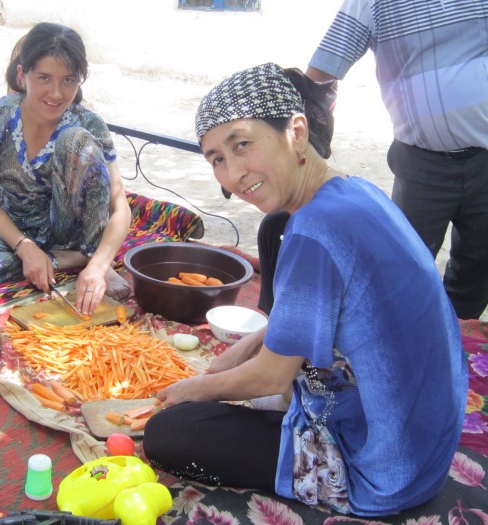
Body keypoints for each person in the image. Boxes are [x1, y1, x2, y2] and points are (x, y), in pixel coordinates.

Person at [143, 63, 467, 516]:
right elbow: (306, 315)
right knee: (276, 226)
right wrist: (237, 353)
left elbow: (270, 377)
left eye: (243, 145)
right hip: (426, 444)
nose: (233, 174)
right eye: (217, 158)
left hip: (380, 465)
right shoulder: (355, 191)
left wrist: (194, 389)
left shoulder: (314, 232)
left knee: (171, 432)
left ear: (295, 131)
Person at [304, 0, 488, 320]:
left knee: (478, 270)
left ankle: (456, 354)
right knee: (402, 272)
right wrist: (314, 141)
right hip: (422, 165)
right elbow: (320, 74)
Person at [0, 22, 132, 315]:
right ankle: (66, 260)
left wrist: (100, 263)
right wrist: (26, 248)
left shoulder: (88, 124)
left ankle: (87, 258)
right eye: (43, 78)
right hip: (12, 233)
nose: (56, 93)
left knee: (77, 140)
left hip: (69, 234)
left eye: (68, 80)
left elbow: (120, 207)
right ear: (21, 75)